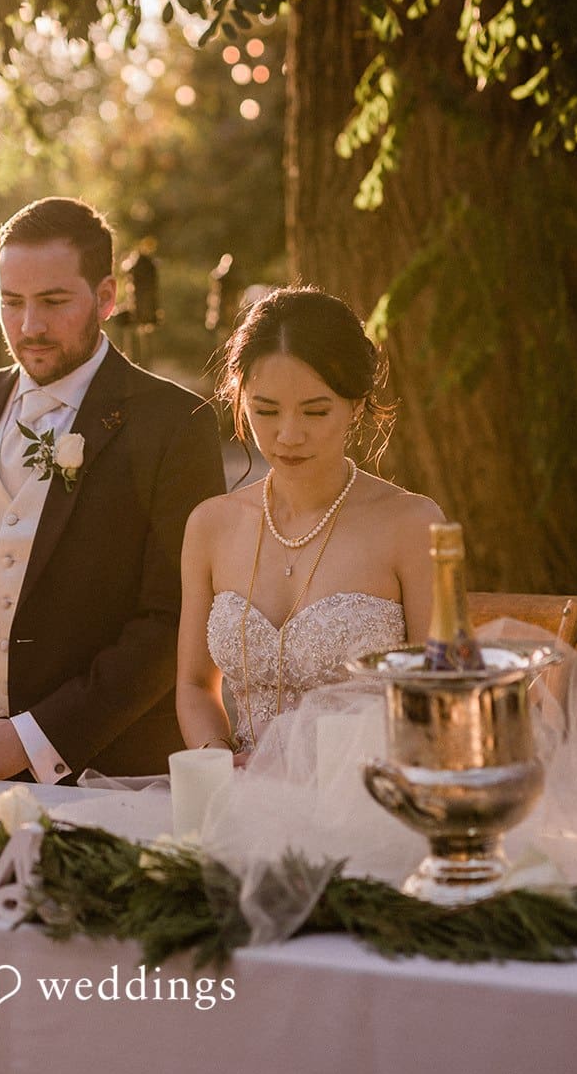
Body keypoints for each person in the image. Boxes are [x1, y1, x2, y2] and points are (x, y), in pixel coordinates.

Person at [0, 197, 226, 782]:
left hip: (108, 775)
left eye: (54, 302)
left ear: (107, 297)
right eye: (11, 303)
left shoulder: (176, 424)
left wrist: (36, 739)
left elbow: (174, 619)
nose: (29, 326)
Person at [176, 286, 442, 757]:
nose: (288, 435)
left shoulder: (411, 526)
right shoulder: (209, 527)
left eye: (316, 411)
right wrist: (217, 758)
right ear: (239, 399)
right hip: (243, 798)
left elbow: (437, 700)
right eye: (266, 410)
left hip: (365, 798)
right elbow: (196, 685)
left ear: (356, 404)